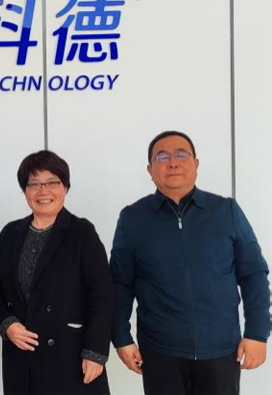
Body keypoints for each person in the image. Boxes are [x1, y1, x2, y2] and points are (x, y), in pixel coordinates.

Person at [111, 130, 270, 395]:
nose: (172, 163)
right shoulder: (133, 218)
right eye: (162, 157)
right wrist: (121, 337)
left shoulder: (226, 211)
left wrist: (257, 332)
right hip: (160, 351)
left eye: (181, 155)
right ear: (150, 170)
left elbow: (253, 274)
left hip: (221, 349)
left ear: (196, 164)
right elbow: (120, 283)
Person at [0, 150, 114, 394]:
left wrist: (96, 352)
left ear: (65, 187)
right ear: (25, 190)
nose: (43, 191)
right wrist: (6, 324)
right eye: (34, 184)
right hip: (22, 358)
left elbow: (102, 295)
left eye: (52, 182)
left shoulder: (82, 233)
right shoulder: (11, 233)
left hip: (71, 357)